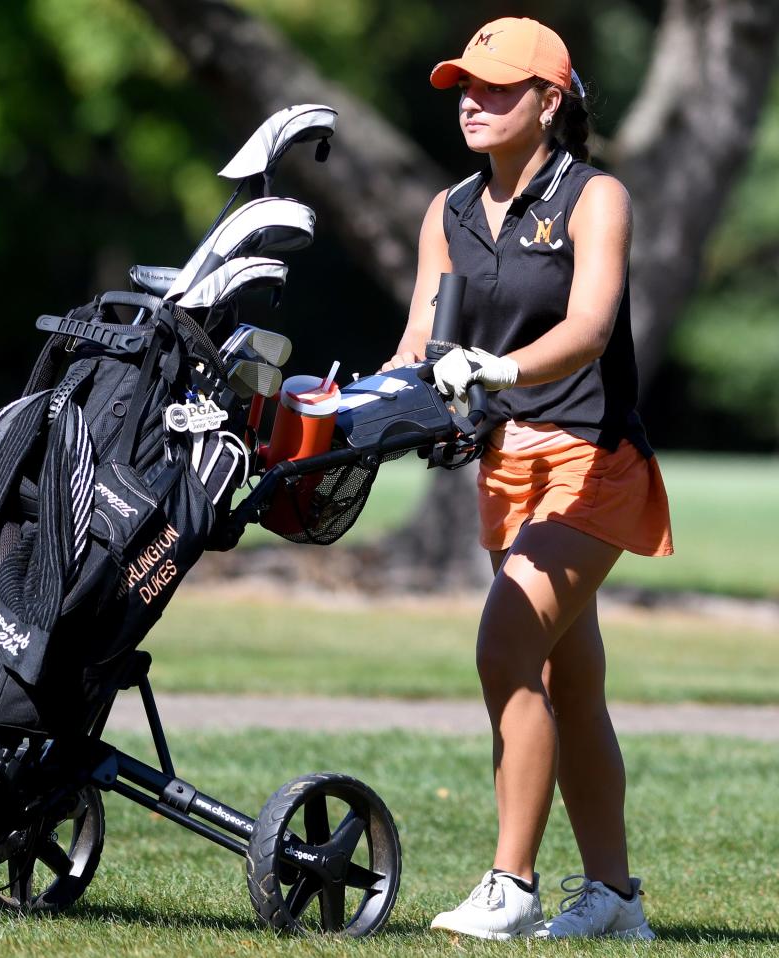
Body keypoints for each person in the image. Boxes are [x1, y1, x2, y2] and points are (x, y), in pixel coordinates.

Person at [383, 16, 673, 942]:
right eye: (465, 86)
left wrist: (499, 370)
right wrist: (351, 397)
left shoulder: (595, 198)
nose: (473, 101)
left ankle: (511, 886)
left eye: (498, 88)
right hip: (506, 469)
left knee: (504, 647)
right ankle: (617, 902)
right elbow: (419, 344)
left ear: (551, 101)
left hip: (594, 461)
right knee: (572, 683)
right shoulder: (449, 211)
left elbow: (589, 328)